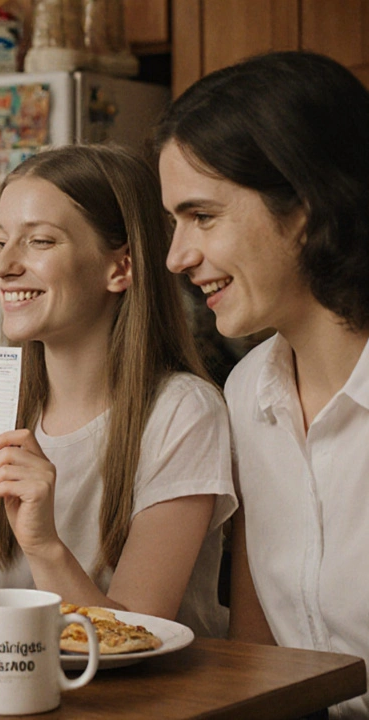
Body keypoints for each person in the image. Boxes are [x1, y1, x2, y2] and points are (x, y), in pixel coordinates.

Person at [0, 145, 236, 637]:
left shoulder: (183, 413)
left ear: (120, 268)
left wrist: (43, 545)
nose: (4, 267)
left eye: (39, 241)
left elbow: (137, 634)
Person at [157, 51, 369, 718]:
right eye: (173, 221)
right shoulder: (249, 393)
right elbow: (258, 652)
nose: (177, 256)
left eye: (202, 216)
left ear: (304, 206)